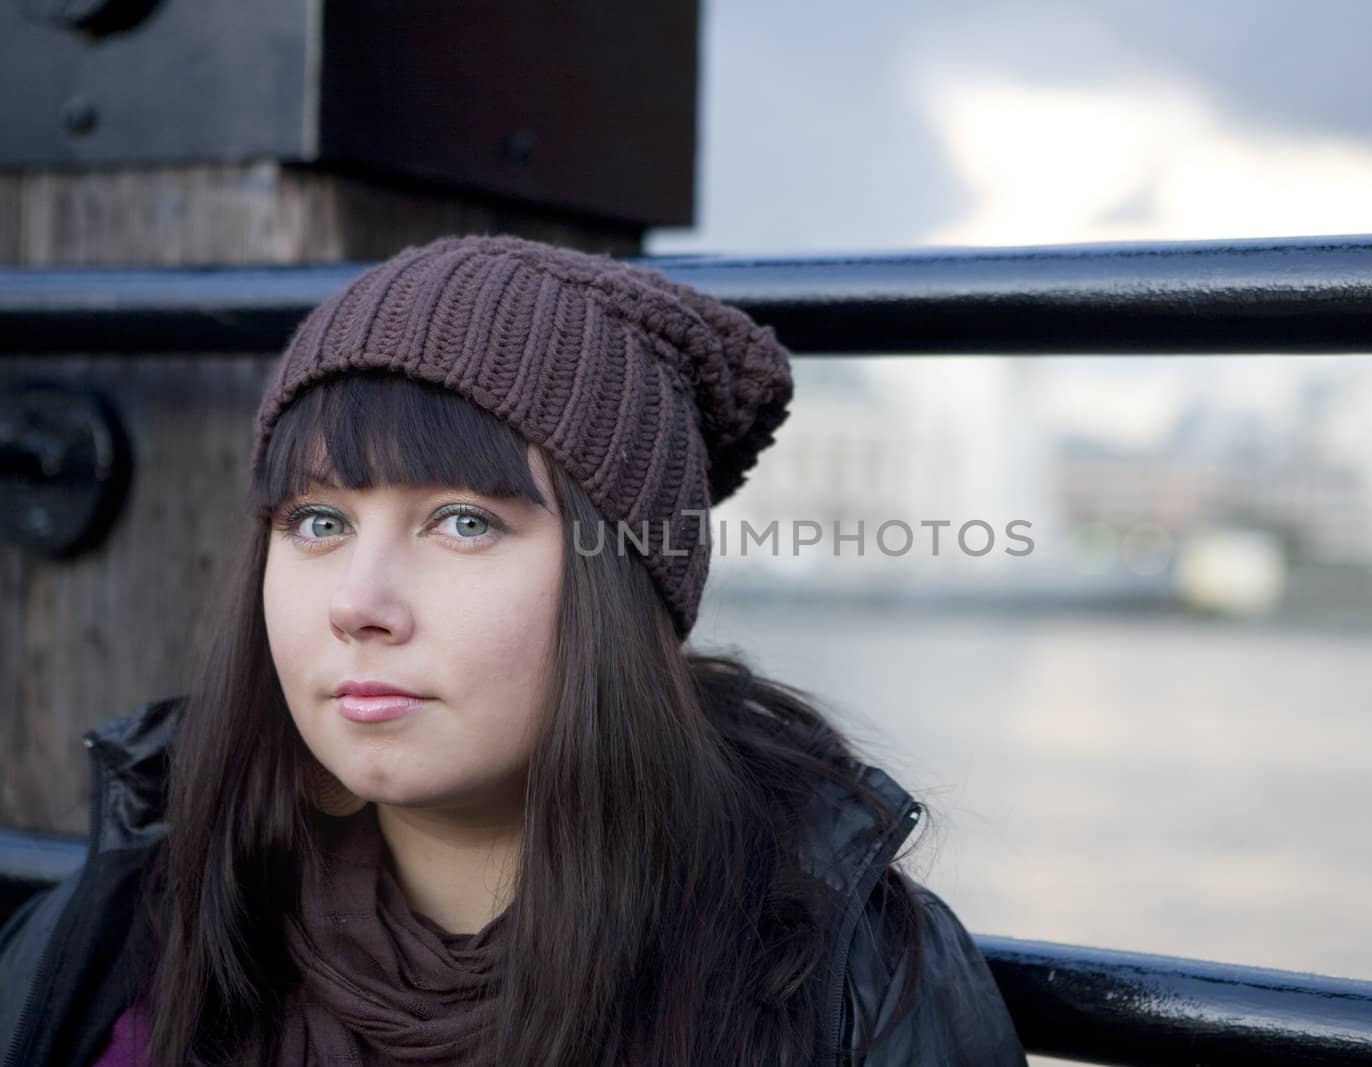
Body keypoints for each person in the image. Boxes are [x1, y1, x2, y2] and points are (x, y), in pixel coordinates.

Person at [0, 236, 1028, 1066]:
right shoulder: (123, 931)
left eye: (461, 522)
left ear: (616, 584)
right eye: (317, 522)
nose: (359, 603)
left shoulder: (839, 979)